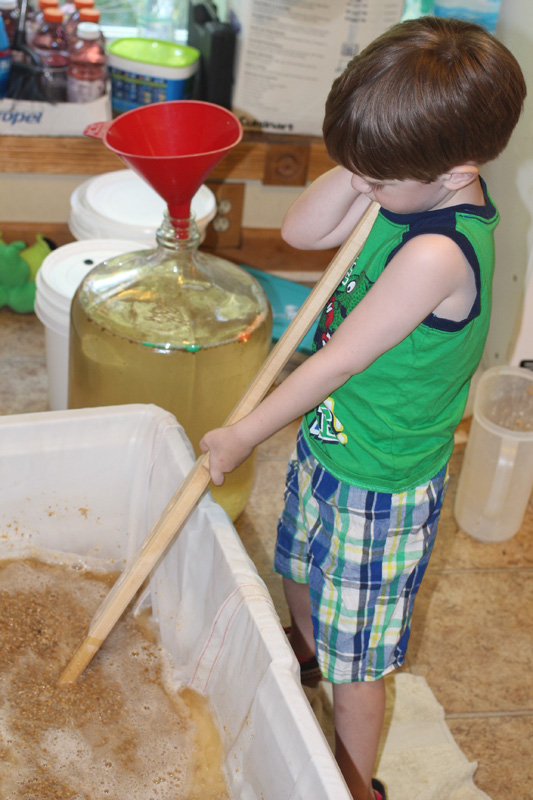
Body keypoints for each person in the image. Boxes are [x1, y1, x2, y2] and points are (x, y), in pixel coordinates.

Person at [200, 16, 526, 800]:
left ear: (455, 172)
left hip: (381, 482)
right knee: (300, 570)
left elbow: (340, 357)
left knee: (362, 661)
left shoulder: (434, 253)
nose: (366, 190)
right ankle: (305, 652)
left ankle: (349, 780)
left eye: (377, 180)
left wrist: (245, 432)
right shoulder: (400, 180)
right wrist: (357, 171)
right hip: (334, 441)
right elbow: (299, 229)